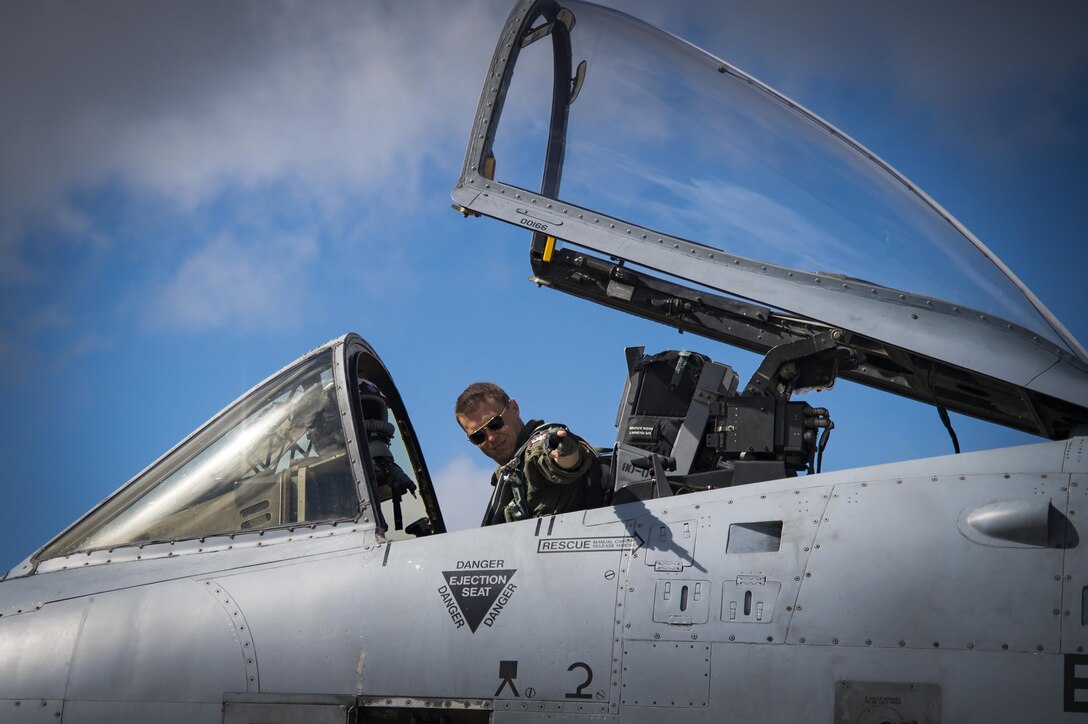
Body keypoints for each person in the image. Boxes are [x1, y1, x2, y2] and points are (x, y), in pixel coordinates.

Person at [455, 382, 600, 525]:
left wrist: (563, 451)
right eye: (478, 436)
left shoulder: (537, 446)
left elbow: (564, 460)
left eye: (494, 424)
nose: (491, 438)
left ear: (514, 408)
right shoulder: (506, 477)